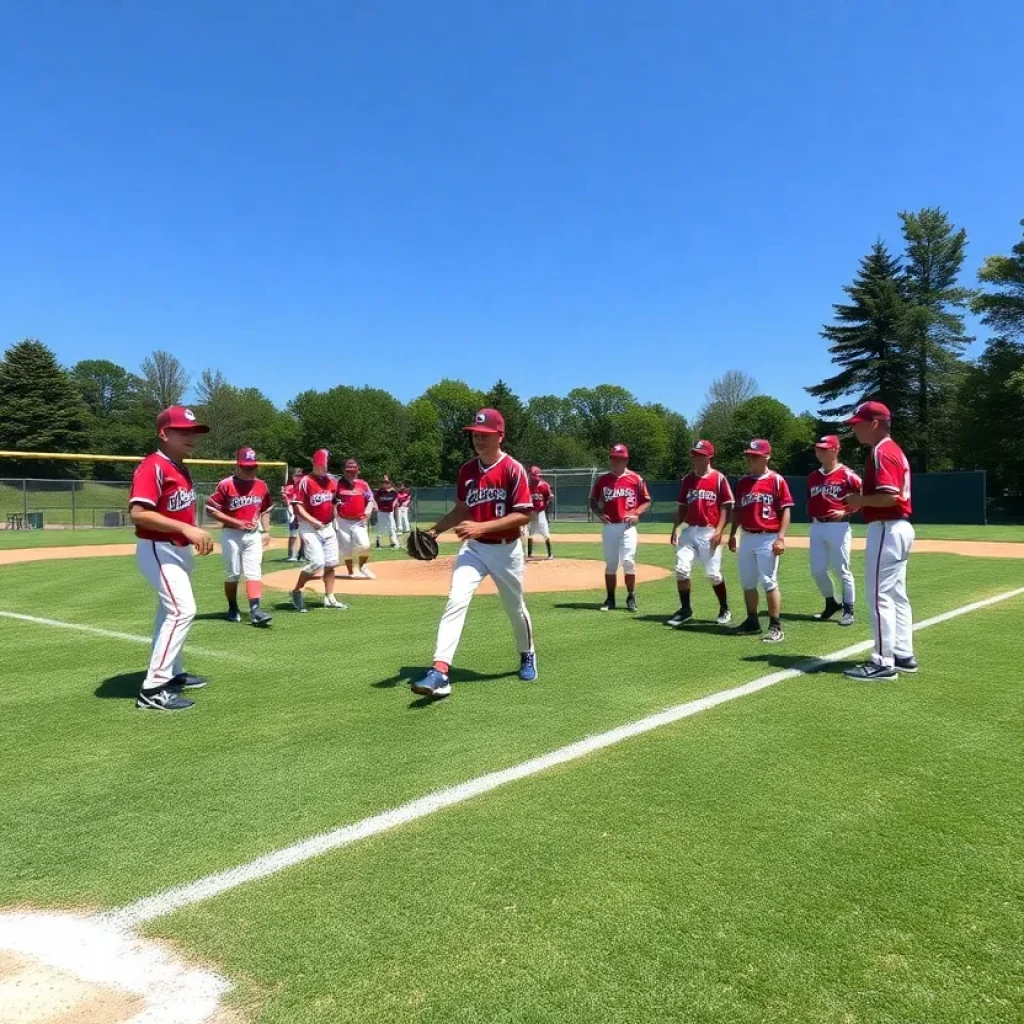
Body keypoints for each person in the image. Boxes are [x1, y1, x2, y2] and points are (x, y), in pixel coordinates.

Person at [411, 408, 536, 700]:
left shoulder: (513, 469)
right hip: (474, 549)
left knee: (515, 609)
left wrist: (482, 526)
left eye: (485, 435)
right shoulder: (467, 470)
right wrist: (434, 531)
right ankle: (440, 670)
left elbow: (524, 514)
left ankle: (527, 653)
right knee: (455, 600)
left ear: (500, 436)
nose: (478, 439)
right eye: (475, 435)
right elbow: (462, 510)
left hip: (506, 550)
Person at [128, 406, 214, 712]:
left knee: (169, 612)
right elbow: (138, 513)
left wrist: (192, 532)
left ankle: (174, 673)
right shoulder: (154, 466)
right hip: (158, 547)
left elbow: (179, 510)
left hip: (176, 548)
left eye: (194, 432)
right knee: (182, 611)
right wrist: (185, 529)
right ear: (164, 433)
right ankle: (153, 690)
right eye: (183, 431)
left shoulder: (180, 467)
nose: (191, 437)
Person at [841, 401, 917, 681]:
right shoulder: (892, 449)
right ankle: (903, 654)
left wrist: (859, 500)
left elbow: (890, 497)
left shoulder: (882, 451)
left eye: (858, 424)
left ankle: (883, 662)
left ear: (874, 423)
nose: (854, 429)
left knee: (879, 596)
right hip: (897, 527)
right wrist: (862, 503)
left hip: (887, 527)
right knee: (896, 595)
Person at [728, 439, 794, 643]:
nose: (750, 459)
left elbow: (786, 510)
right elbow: (738, 511)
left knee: (768, 581)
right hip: (747, 536)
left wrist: (780, 538)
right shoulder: (743, 482)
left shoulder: (776, 480)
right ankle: (752, 621)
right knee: (747, 582)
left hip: (768, 537)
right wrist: (733, 533)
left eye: (755, 456)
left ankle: (775, 626)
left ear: (766, 457)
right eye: (749, 456)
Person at [205, 447, 274, 627]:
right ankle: (232, 607)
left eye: (253, 467)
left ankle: (255, 610)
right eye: (246, 467)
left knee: (254, 572)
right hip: (231, 534)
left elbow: (266, 509)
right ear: (238, 466)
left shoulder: (261, 485)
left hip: (253, 534)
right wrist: (236, 522)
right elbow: (211, 509)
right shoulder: (226, 484)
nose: (250, 471)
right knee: (233, 574)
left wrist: (266, 530)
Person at [667, 440, 733, 626]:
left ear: (708, 457)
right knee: (681, 569)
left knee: (713, 574)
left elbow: (726, 507)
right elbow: (682, 507)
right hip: (690, 531)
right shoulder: (687, 480)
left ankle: (724, 608)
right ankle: (685, 610)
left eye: (699, 455)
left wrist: (719, 531)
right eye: (694, 454)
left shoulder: (718, 478)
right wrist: (675, 528)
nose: (695, 458)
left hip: (709, 531)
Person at [589, 444, 652, 613]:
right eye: (612, 458)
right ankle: (610, 598)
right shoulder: (603, 480)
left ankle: (631, 596)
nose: (614, 461)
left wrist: (637, 513)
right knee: (611, 564)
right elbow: (592, 500)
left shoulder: (635, 479)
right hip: (610, 527)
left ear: (625, 460)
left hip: (627, 526)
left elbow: (647, 501)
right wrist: (599, 514)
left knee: (628, 562)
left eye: (618, 458)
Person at [807, 434, 862, 627]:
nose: (819, 452)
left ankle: (848, 610)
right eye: (818, 449)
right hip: (817, 526)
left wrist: (847, 510)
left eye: (824, 449)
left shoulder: (848, 474)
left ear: (835, 450)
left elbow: (864, 496)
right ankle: (831, 603)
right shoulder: (813, 476)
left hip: (838, 526)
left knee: (841, 570)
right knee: (817, 570)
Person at [290, 449, 345, 612]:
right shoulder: (305, 481)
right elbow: (297, 506)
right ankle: (297, 590)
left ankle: (330, 597)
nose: (325, 468)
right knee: (317, 562)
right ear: (316, 464)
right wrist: (312, 520)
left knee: (331, 564)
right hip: (309, 527)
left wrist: (335, 520)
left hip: (328, 526)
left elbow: (333, 502)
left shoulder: (332, 481)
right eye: (322, 465)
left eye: (326, 465)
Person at [336, 459, 375, 577]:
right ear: (344, 472)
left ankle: (362, 567)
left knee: (365, 546)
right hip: (342, 520)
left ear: (357, 471)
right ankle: (351, 571)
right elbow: (332, 501)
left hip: (359, 520)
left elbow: (370, 500)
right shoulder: (337, 485)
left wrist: (367, 514)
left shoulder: (363, 485)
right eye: (348, 471)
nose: (351, 474)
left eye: (353, 472)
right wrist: (334, 517)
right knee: (346, 548)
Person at [282, 467, 304, 561]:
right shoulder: (289, 487)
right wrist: (291, 513)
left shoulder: (303, 487)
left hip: (302, 512)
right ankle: (292, 555)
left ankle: (301, 555)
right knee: (293, 534)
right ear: (293, 476)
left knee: (302, 534)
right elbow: (287, 502)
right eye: (296, 476)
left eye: (299, 476)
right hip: (291, 511)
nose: (298, 478)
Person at [373, 475, 401, 549]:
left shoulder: (393, 492)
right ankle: (378, 543)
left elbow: (396, 498)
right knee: (382, 528)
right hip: (381, 513)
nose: (385, 484)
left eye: (387, 483)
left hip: (390, 513)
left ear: (390, 484)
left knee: (392, 527)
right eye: (384, 483)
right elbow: (373, 500)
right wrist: (375, 506)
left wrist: (395, 503)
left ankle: (393, 543)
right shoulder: (379, 492)